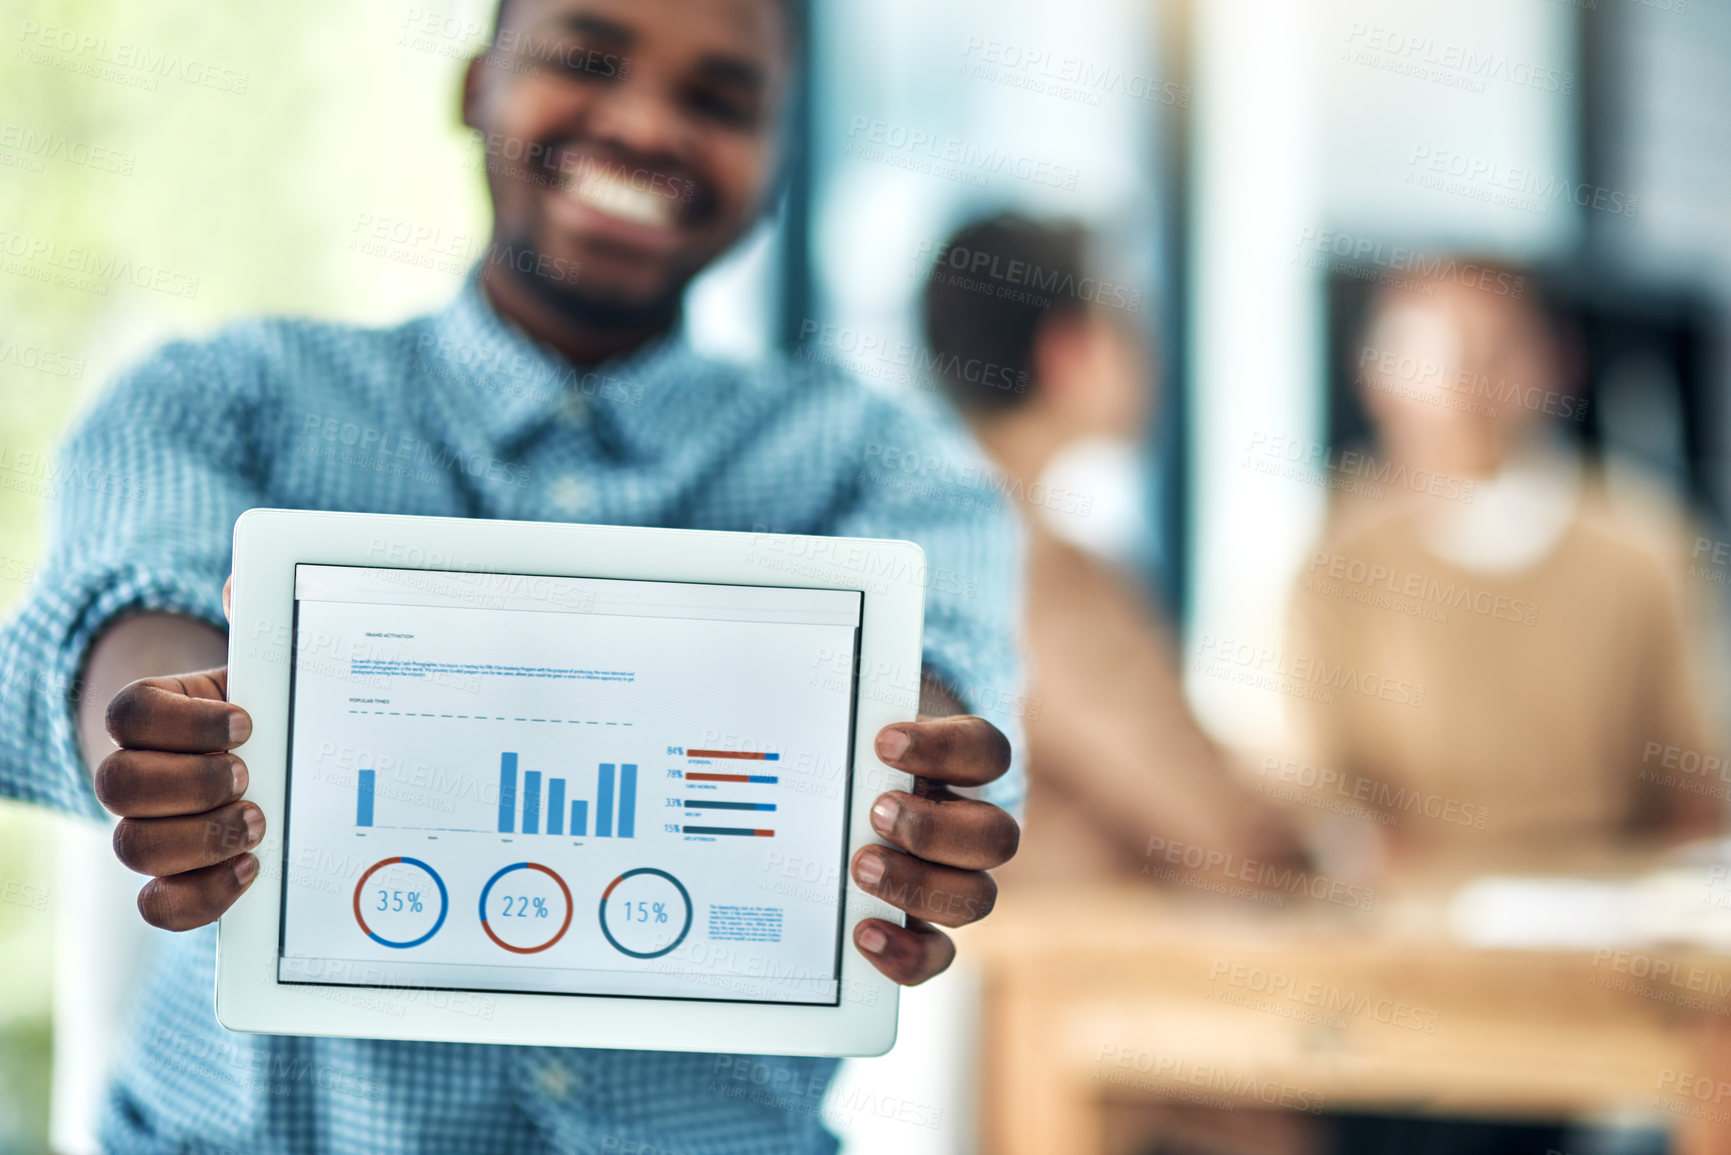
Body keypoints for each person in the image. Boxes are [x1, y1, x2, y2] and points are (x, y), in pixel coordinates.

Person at [0, 1, 1024, 1150]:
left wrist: (926, 794)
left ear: (778, 165)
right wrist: (160, 740)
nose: (644, 123)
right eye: (587, 61)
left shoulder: (881, 464)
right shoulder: (224, 396)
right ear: (476, 85)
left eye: (721, 102)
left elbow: (950, 671)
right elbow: (125, 599)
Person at [1285, 262, 1722, 874]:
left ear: (1558, 364)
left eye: (1499, 352)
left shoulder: (1643, 542)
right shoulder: (1336, 557)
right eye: (1435, 353)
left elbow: (1695, 774)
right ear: (1375, 376)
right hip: (1414, 908)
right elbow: (1314, 784)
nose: (1469, 381)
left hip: (1613, 901)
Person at [919, 213, 1297, 887]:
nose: (1154, 353)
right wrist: (1326, 844)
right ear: (1069, 351)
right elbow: (1212, 825)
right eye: (1131, 322)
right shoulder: (1023, 560)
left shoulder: (931, 527)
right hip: (1071, 968)